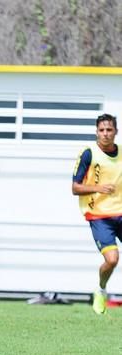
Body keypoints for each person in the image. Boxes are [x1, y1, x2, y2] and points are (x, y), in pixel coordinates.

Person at [72, 113, 120, 314]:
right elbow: (75, 188)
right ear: (97, 132)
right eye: (102, 130)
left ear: (116, 132)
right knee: (112, 260)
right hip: (99, 216)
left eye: (109, 130)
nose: (106, 134)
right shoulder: (88, 153)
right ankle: (101, 290)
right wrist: (98, 188)